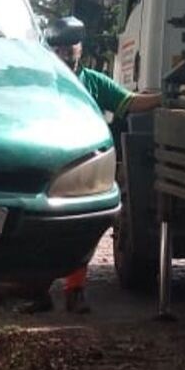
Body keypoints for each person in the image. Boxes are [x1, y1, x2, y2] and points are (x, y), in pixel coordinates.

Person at [22, 40, 161, 314]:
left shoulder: (93, 82)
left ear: (80, 50)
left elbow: (128, 102)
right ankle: (37, 292)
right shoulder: (37, 81)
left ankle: (75, 292)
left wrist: (162, 97)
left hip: (83, 167)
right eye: (60, 49)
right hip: (47, 165)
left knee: (81, 230)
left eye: (71, 49)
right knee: (41, 230)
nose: (65, 55)